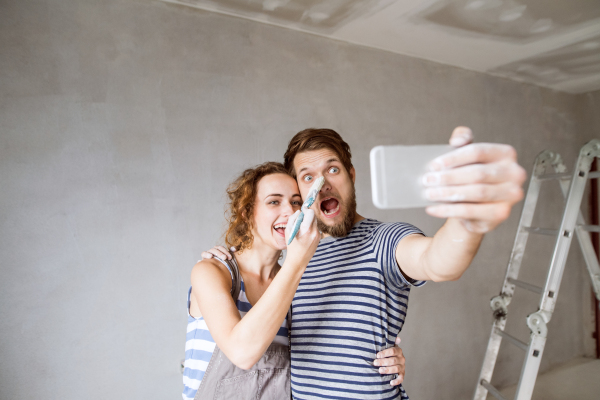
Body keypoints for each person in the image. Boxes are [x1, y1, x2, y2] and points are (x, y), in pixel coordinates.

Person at [202, 126, 526, 400]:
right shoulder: (293, 258)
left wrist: (466, 220)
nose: (323, 184)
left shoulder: (382, 240)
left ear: (350, 175)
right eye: (308, 176)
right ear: (300, 192)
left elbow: (438, 261)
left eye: (332, 169)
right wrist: (226, 259)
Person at [183, 162, 407, 400]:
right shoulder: (212, 272)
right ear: (247, 212)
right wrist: (297, 261)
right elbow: (242, 352)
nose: (290, 212)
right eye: (274, 201)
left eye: (296, 202)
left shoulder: (297, 283)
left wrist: (387, 357)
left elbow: (328, 349)